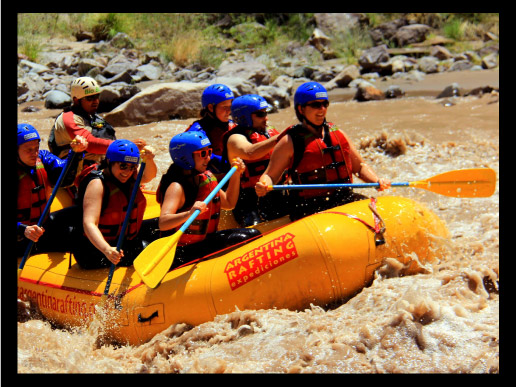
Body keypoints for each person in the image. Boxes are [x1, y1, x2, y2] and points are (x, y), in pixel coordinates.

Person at [255, 81, 391, 221]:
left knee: (376, 216)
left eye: (324, 104)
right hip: (309, 207)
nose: (322, 109)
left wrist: (377, 181)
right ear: (301, 109)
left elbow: (360, 167)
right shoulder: (289, 141)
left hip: (344, 198)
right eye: (315, 105)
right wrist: (264, 184)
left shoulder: (338, 134)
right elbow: (270, 175)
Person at [156, 131, 261, 269]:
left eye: (209, 152)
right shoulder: (176, 187)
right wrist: (189, 214)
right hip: (182, 252)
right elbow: (163, 223)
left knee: (253, 235)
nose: (209, 158)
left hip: (205, 242)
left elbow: (229, 203)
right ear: (186, 157)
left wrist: (236, 174)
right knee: (247, 237)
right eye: (203, 154)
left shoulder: (205, 177)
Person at [48, 76, 146, 195]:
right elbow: (90, 143)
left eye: (97, 96)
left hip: (99, 165)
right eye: (90, 98)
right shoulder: (68, 119)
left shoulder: (94, 118)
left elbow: (107, 139)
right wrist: (123, 147)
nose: (95, 101)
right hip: (76, 171)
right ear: (76, 100)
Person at [72, 139, 158, 269]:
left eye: (132, 167)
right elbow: (89, 223)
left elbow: (148, 176)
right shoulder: (97, 184)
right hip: (96, 250)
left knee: (157, 233)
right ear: (109, 162)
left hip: (123, 242)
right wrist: (107, 250)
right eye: (123, 166)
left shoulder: (130, 175)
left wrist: (149, 159)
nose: (127, 172)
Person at [16, 123, 88, 257]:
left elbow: (65, 177)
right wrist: (22, 229)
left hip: (43, 227)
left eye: (36, 148)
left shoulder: (42, 158)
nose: (34, 153)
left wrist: (76, 153)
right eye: (28, 150)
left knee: (82, 210)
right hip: (20, 238)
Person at [222, 94, 289, 226]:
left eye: (266, 113)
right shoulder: (235, 138)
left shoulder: (269, 132)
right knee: (254, 229)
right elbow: (250, 152)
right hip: (248, 200)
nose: (266, 118)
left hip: (275, 191)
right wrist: (280, 138)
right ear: (244, 117)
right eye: (260, 114)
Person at [184, 83, 236, 176]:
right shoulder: (197, 131)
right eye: (225, 107)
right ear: (211, 107)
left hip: (231, 174)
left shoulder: (233, 125)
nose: (229, 111)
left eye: (230, 106)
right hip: (210, 177)